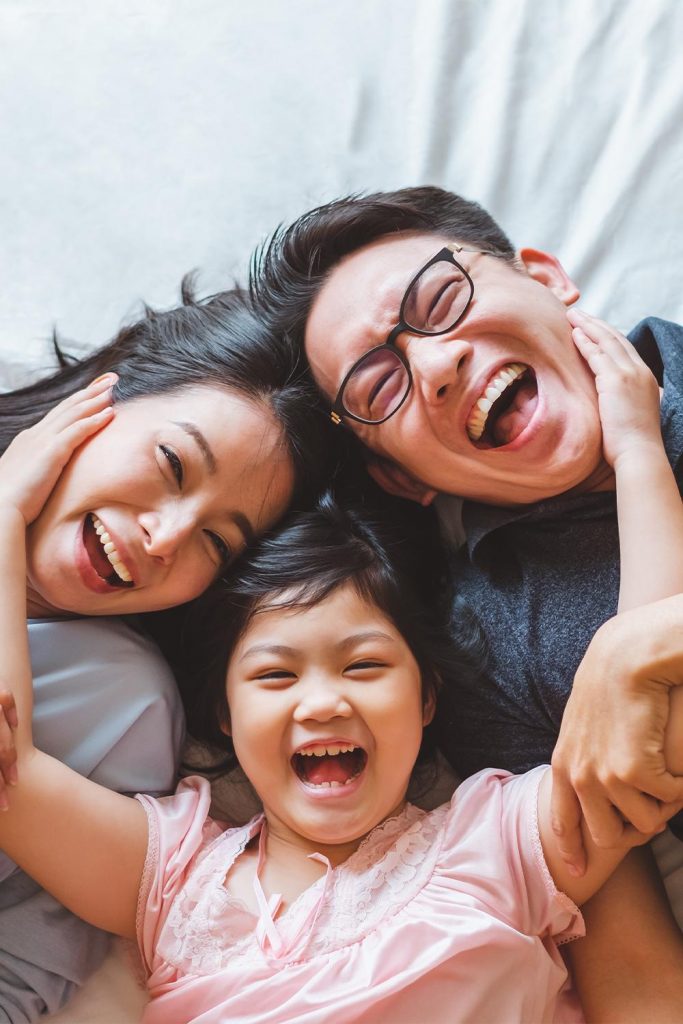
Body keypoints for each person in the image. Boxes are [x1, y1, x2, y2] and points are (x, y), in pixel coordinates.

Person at [0, 390, 671, 1022]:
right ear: (226, 717)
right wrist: (4, 514)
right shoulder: (175, 878)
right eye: (273, 676)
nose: (321, 702)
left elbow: (640, 714)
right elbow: (10, 770)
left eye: (364, 665)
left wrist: (637, 450)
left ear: (426, 696)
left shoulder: (497, 842)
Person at [250, 185, 683, 1018]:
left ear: (547, 277)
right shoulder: (483, 651)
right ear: (397, 477)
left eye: (441, 298)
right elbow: (632, 974)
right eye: (378, 386)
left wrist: (634, 648)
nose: (436, 362)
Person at [0, 285, 330, 1022]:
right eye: (173, 464)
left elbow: (21, 979)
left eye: (217, 540)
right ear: (99, 399)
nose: (167, 536)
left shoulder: (125, 706)